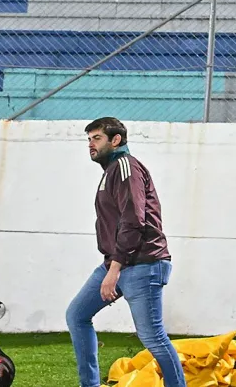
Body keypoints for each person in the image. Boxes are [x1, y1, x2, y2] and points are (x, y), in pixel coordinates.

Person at [66, 117, 186, 387]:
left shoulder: (124, 167)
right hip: (120, 262)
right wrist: (113, 266)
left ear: (116, 140)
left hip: (142, 263)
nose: (90, 145)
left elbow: (133, 220)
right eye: (89, 139)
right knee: (77, 314)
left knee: (152, 336)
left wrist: (115, 269)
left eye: (96, 138)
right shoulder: (111, 171)